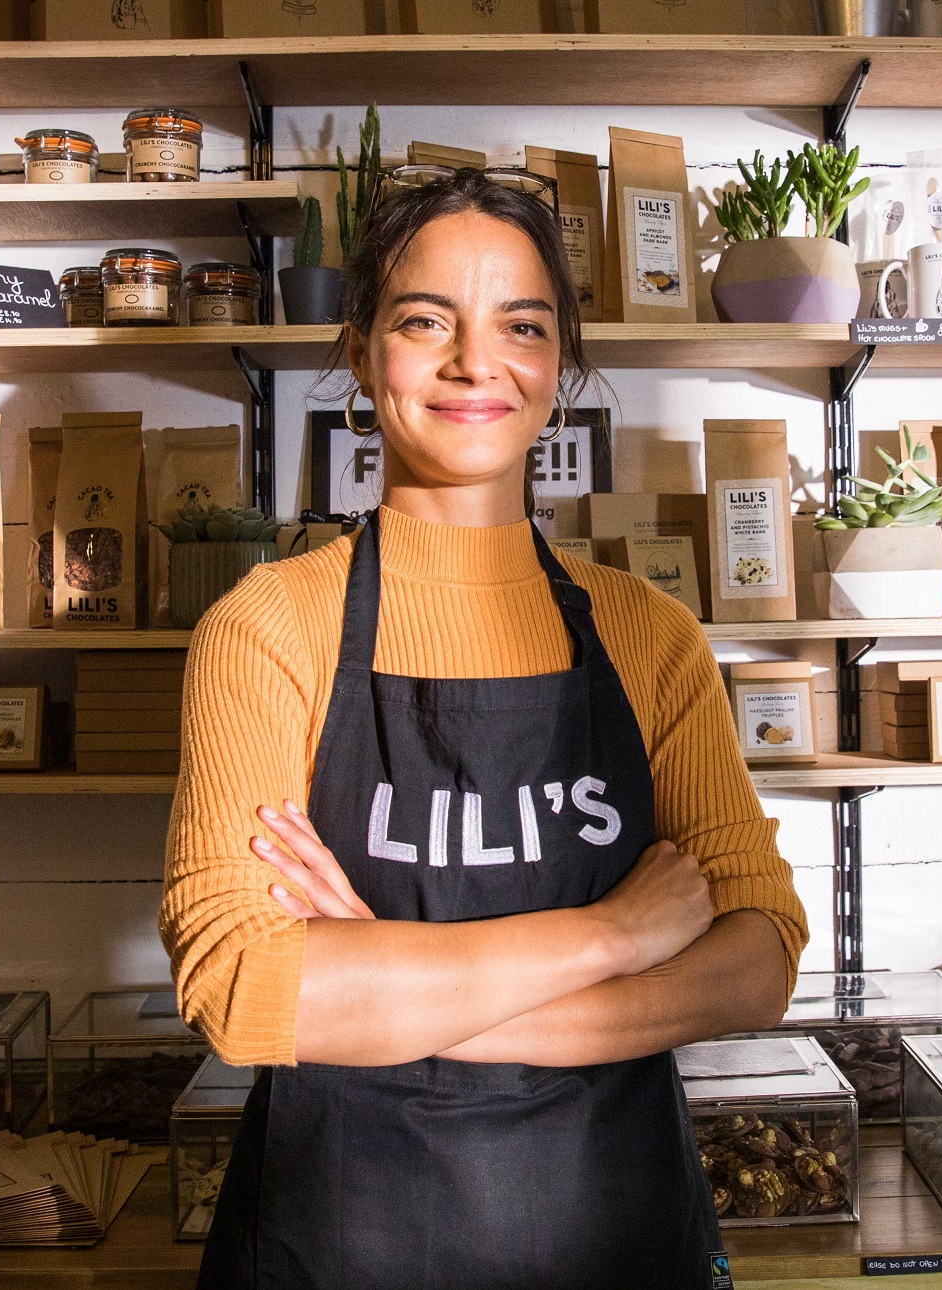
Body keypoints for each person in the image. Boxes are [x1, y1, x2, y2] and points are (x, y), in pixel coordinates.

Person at [160, 166, 807, 1290]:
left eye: (520, 324)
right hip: (345, 1238)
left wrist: (388, 991)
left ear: (559, 364)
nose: (475, 363)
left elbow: (755, 962)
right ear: (360, 352)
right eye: (424, 322)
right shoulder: (269, 625)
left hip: (614, 1231)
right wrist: (618, 935)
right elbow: (239, 990)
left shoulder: (647, 634)